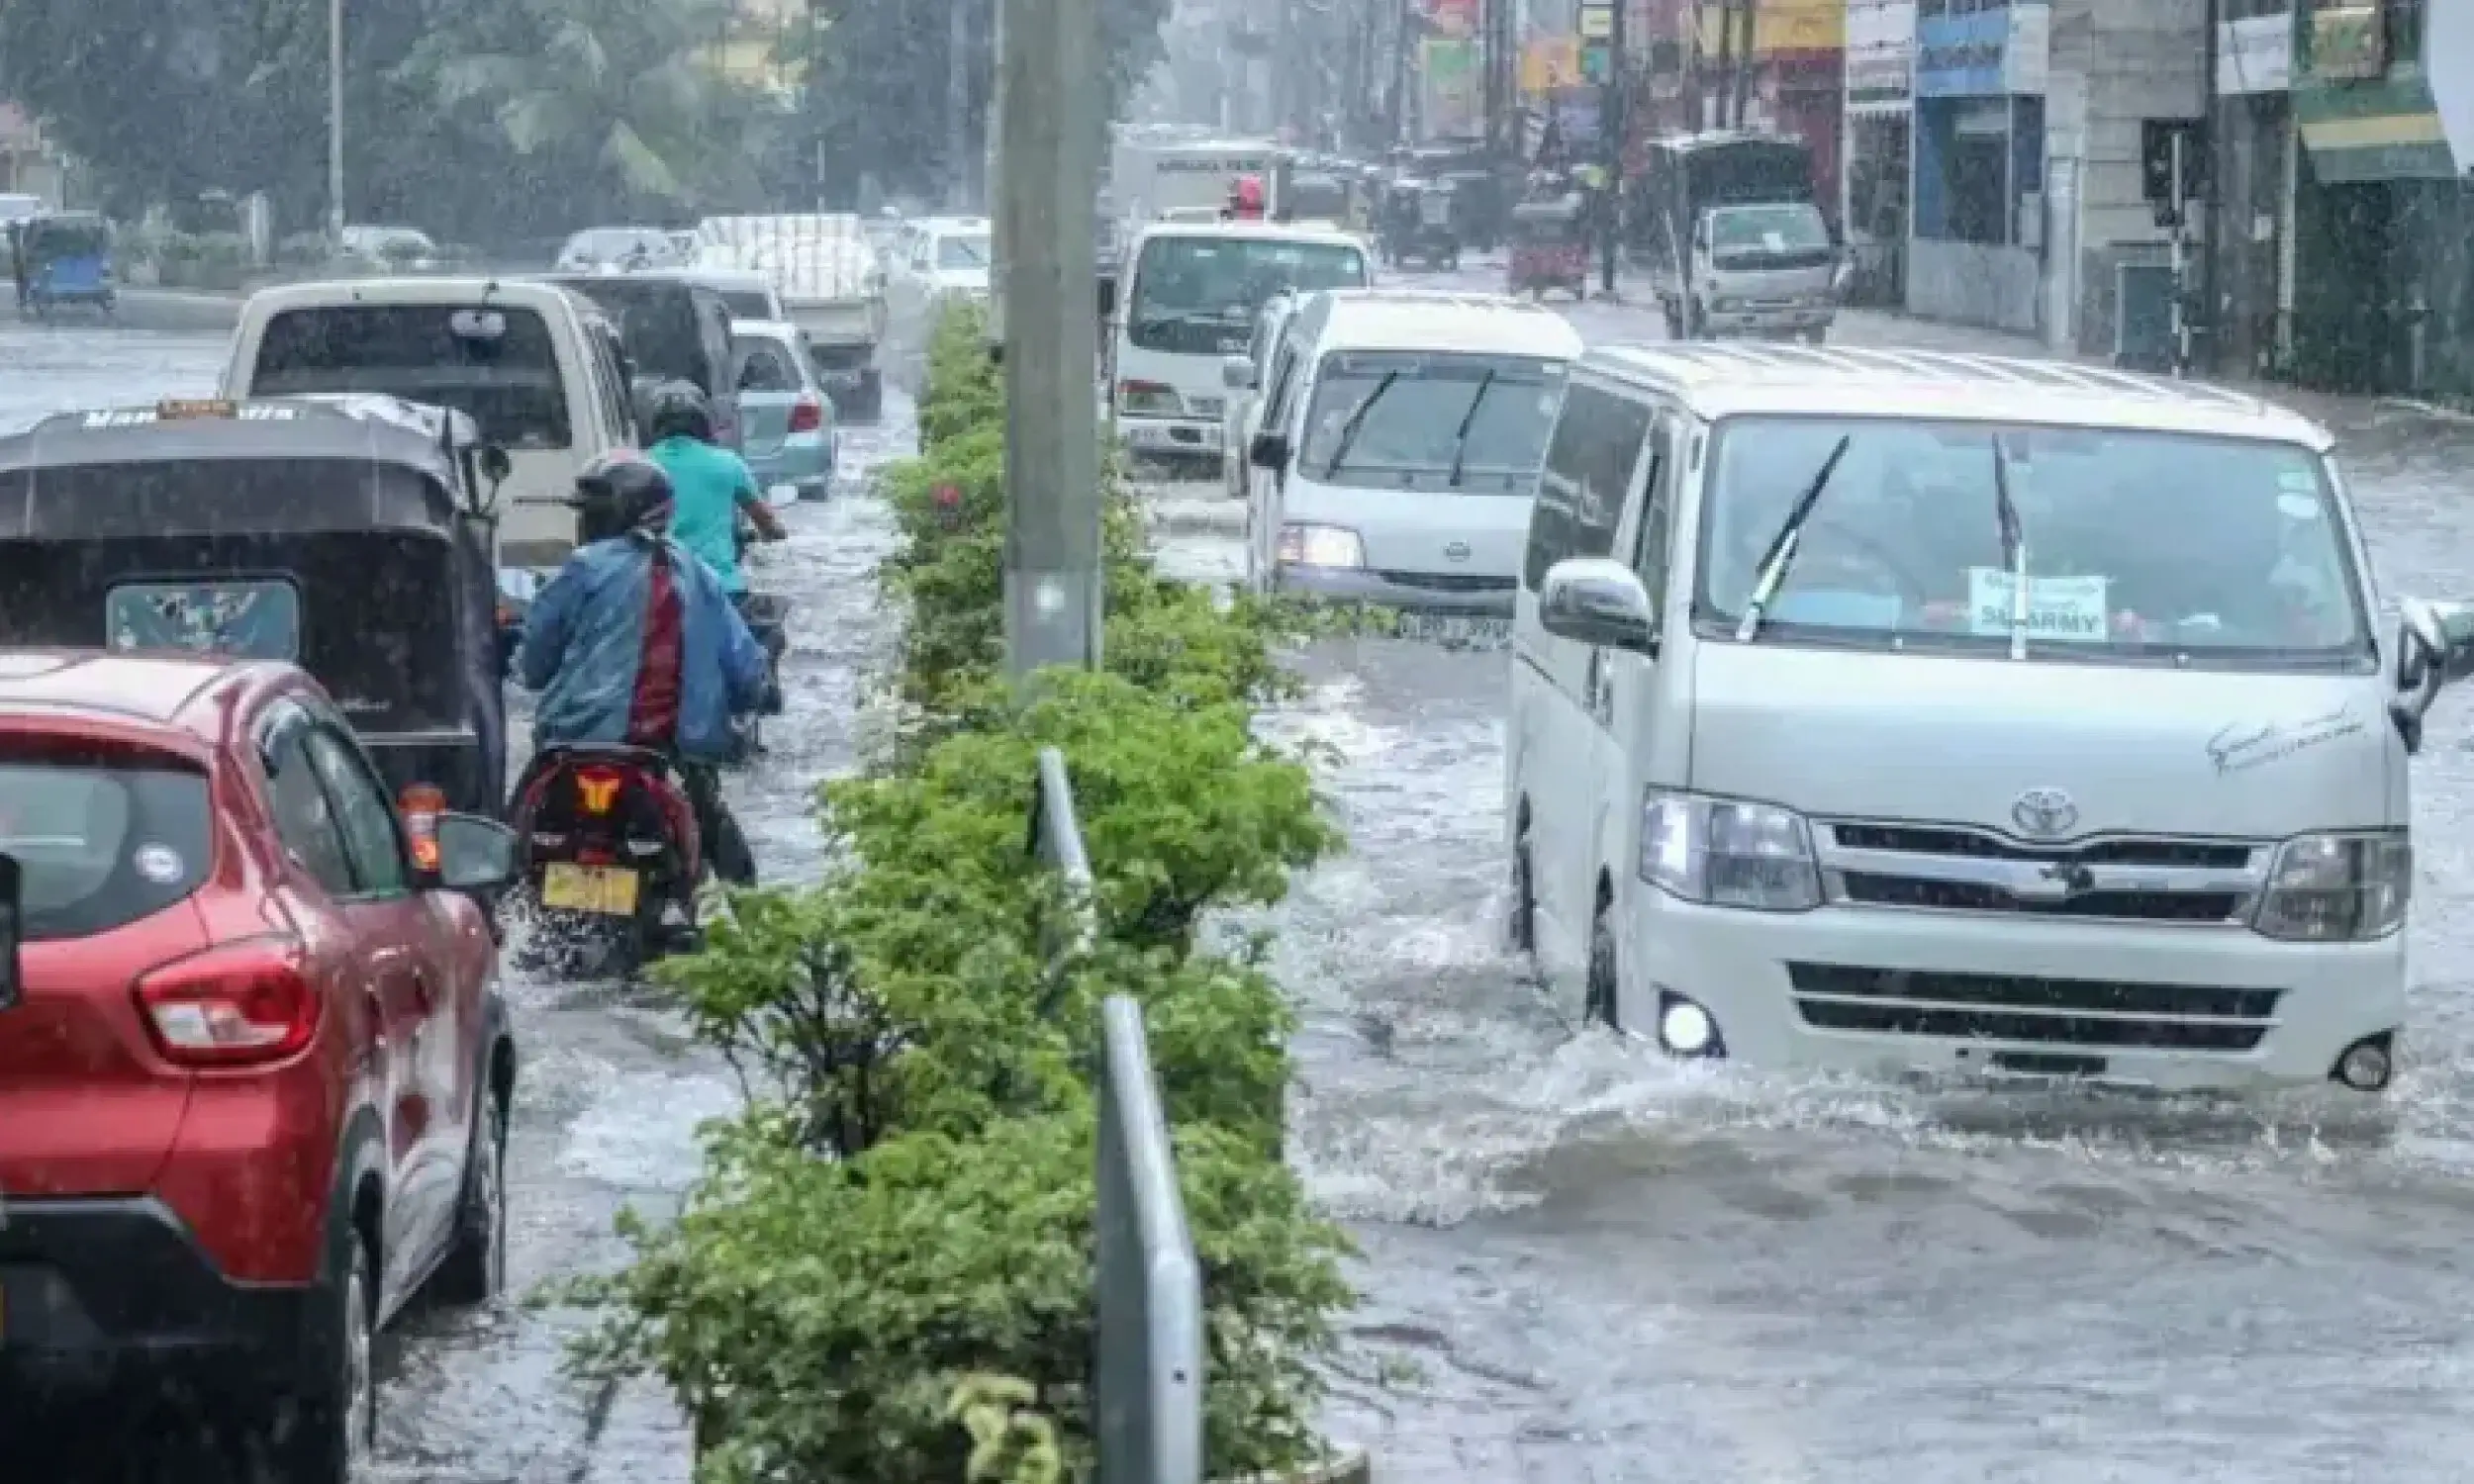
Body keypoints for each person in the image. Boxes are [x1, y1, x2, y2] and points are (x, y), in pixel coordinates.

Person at [516, 452, 770, 885]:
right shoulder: (698, 573)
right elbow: (745, 669)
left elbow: (533, 666)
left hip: (572, 743)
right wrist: (759, 695)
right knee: (737, 879)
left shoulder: (581, 569)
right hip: (670, 752)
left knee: (506, 853)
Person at [639, 381, 787, 602]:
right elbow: (767, 522)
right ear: (704, 422)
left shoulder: (639, 464)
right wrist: (773, 532)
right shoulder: (729, 463)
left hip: (657, 595)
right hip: (722, 589)